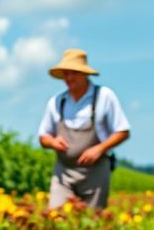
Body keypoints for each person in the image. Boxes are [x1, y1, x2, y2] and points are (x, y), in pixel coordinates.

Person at [38, 49, 130, 209]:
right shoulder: (57, 101)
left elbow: (123, 131)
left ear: (85, 74)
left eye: (74, 73)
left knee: (93, 219)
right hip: (63, 172)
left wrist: (100, 148)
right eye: (66, 73)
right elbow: (43, 136)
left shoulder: (104, 96)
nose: (69, 78)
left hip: (95, 172)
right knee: (55, 216)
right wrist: (53, 142)